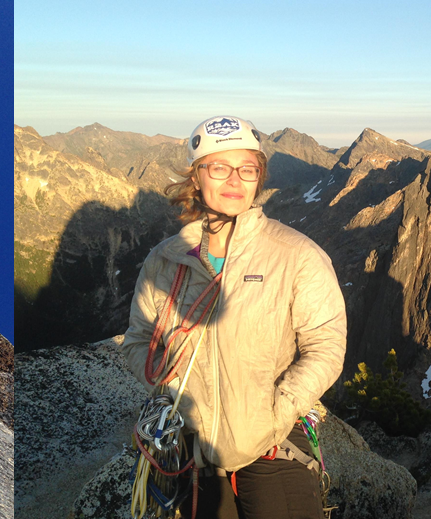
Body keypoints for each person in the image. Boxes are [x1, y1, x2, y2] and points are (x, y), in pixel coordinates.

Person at [122, 116, 346, 519]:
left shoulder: (295, 255)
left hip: (271, 444)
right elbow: (139, 339)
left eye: (247, 169)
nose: (234, 181)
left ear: (259, 178)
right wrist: (171, 387)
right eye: (219, 167)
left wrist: (278, 410)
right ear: (196, 177)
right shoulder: (164, 261)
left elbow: (326, 345)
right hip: (194, 448)